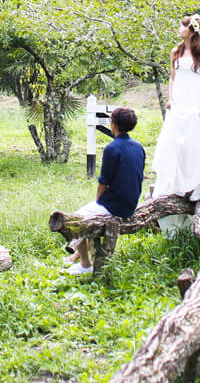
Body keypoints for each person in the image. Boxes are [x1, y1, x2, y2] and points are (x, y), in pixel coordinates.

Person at [151, 13, 200, 236]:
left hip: (196, 100)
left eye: (182, 27)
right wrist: (170, 99)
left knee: (198, 143)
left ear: (191, 30)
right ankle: (177, 188)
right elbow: (172, 78)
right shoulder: (176, 51)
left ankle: (198, 190)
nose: (179, 30)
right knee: (177, 144)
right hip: (179, 101)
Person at [65, 107, 145, 275]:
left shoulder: (112, 148)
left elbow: (103, 182)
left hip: (115, 206)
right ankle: (78, 257)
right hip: (132, 203)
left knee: (76, 220)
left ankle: (85, 265)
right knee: (89, 214)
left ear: (113, 124)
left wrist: (99, 202)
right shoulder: (139, 147)